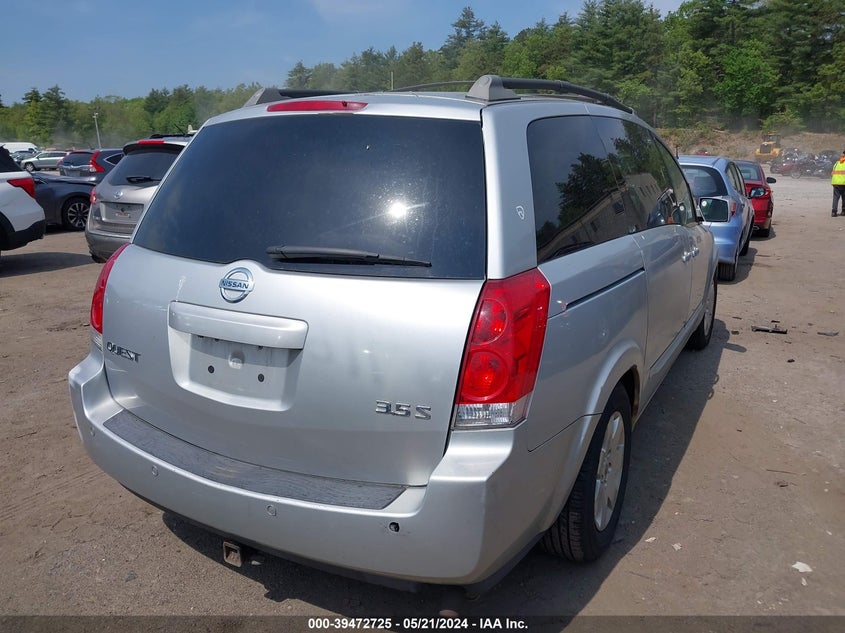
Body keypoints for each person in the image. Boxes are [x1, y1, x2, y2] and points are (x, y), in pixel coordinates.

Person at [832, 149, 845, 217]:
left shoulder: (837, 163)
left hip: (835, 183)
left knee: (835, 198)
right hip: (843, 183)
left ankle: (834, 212)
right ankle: (843, 211)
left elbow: (832, 173)